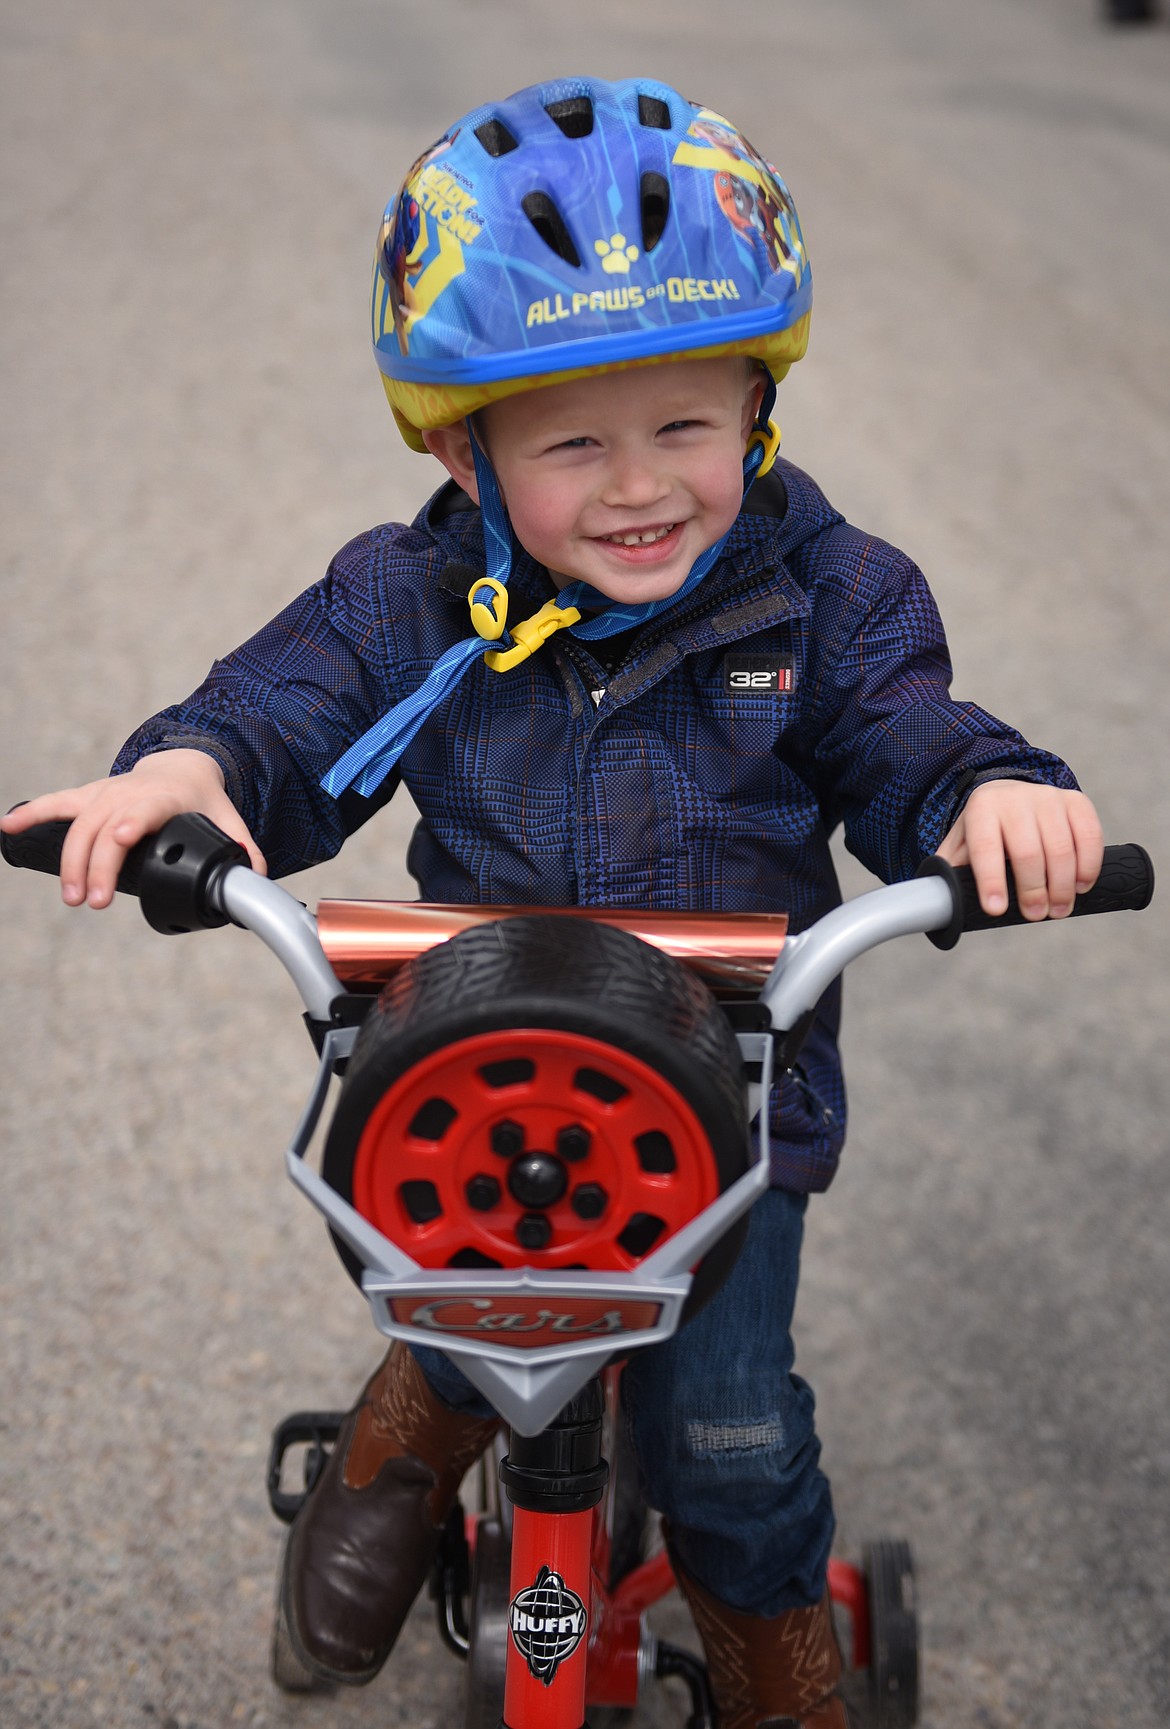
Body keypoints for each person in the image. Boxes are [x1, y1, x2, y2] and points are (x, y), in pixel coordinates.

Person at [1, 77, 1104, 1729]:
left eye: (685, 426)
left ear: (758, 407)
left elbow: (904, 734)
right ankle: (402, 1436)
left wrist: (986, 797)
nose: (639, 484)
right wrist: (189, 776)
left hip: (728, 1114)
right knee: (461, 1328)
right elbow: (284, 709)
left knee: (729, 1444)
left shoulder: (827, 597)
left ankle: (769, 1653)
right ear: (464, 446)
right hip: (471, 1076)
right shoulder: (418, 593)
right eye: (572, 441)